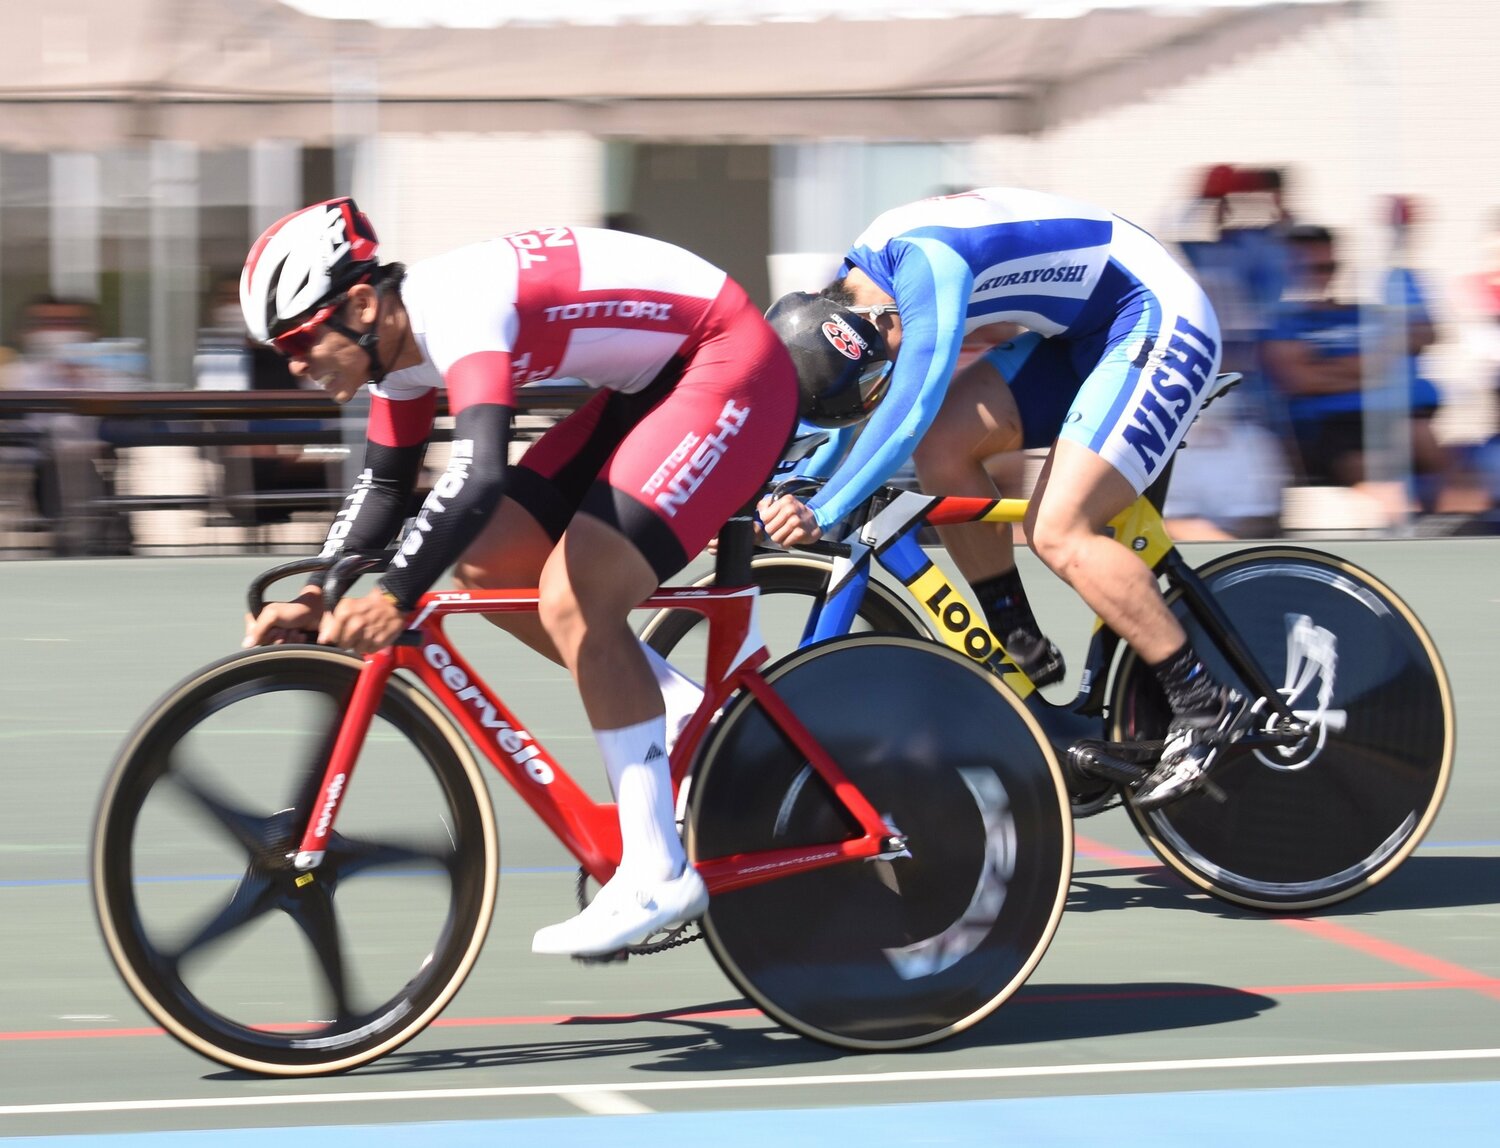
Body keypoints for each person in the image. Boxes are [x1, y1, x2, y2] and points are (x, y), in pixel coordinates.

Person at [238, 198, 814, 957]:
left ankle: (655, 872)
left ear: (360, 303)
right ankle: (673, 710)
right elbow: (383, 489)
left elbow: (476, 473)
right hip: (656, 380)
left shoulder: (454, 310)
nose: (295, 364)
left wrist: (394, 595)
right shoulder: (395, 359)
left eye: (300, 340)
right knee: (489, 559)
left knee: (578, 599)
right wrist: (319, 594)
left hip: (727, 361)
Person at [759, 187, 1245, 810]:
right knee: (944, 446)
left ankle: (1205, 707)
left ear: (881, 326)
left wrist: (823, 511)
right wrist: (805, 485)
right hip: (1084, 337)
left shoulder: (927, 269)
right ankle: (1014, 630)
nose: (887, 369)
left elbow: (905, 408)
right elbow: (853, 414)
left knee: (1058, 528)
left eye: (883, 361)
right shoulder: (856, 294)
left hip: (1157, 314)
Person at [1261, 222, 1450, 510]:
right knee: (1388, 490)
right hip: (1331, 427)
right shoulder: (1283, 321)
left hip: (1394, 416)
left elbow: (1422, 335)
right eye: (1313, 268)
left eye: (1330, 267)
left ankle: (1452, 526)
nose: (1323, 277)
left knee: (1450, 470)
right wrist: (1376, 365)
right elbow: (1302, 380)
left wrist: (1334, 367)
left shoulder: (1361, 311)